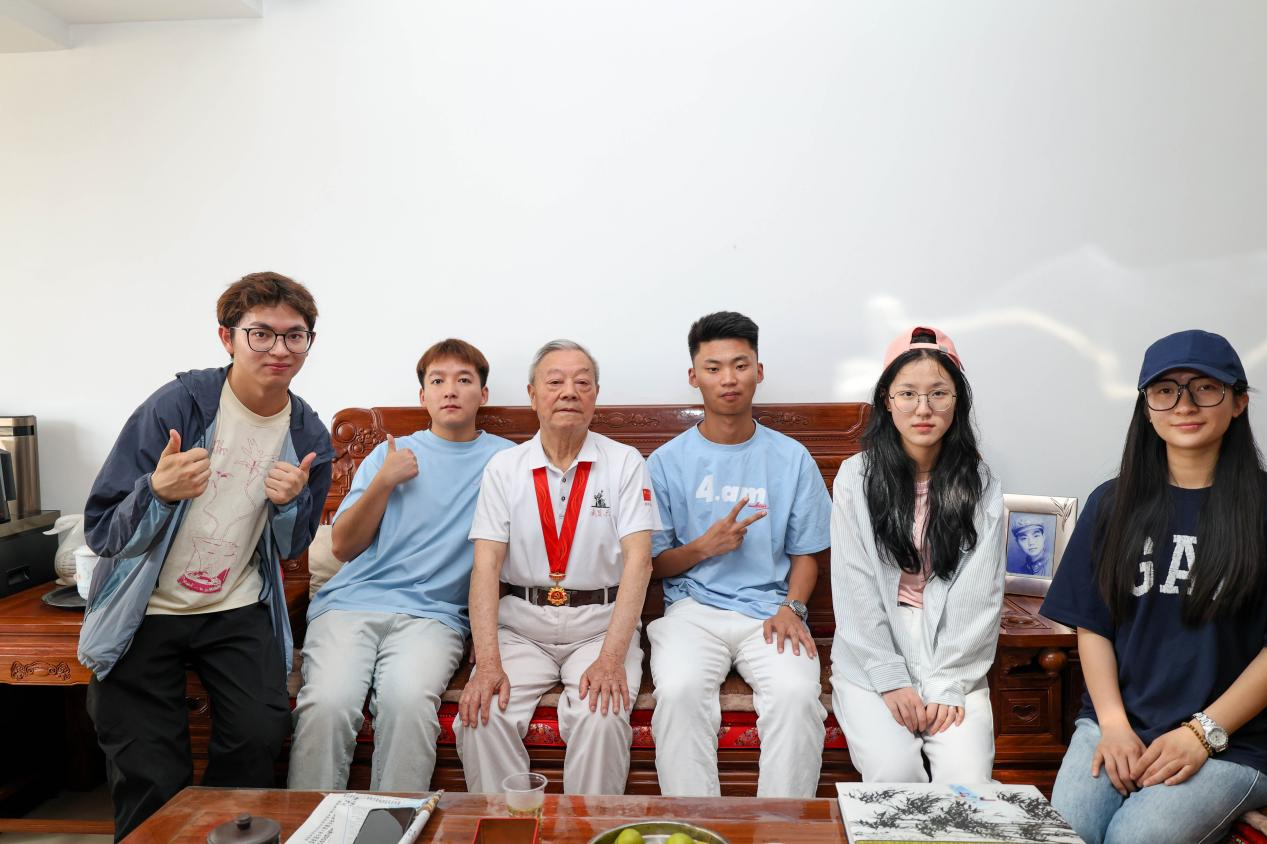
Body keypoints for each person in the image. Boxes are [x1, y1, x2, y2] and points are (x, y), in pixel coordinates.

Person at [79, 272, 332, 840]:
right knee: (150, 774)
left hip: (234, 607)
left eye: (295, 336)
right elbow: (103, 530)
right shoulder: (178, 405)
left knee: (259, 735)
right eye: (261, 333)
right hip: (143, 611)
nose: (279, 349)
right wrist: (157, 490)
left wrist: (289, 505)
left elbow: (292, 545)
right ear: (227, 338)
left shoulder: (308, 431)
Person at [1041, 330, 1267, 844]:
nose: (1184, 404)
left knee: (1133, 838)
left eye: (1205, 387)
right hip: (1117, 722)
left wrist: (1202, 734)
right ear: (1146, 408)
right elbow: (1093, 626)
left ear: (1238, 402)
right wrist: (1113, 724)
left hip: (1233, 740)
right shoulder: (1111, 504)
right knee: (1067, 835)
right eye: (1166, 390)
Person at [287, 339, 514, 792]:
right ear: (423, 395)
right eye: (438, 380)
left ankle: (392, 823)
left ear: (483, 394)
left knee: (408, 703)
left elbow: (521, 553)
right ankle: (309, 824)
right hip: (350, 606)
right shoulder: (389, 454)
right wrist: (384, 483)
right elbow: (343, 548)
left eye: (464, 380)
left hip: (435, 616)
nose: (451, 390)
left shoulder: (507, 461)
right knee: (328, 703)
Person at [455, 339, 660, 794]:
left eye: (582, 382)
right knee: (482, 716)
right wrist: (487, 662)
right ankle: (511, 824)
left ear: (595, 395)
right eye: (555, 382)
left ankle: (586, 828)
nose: (569, 391)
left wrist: (611, 660)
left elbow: (640, 561)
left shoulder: (624, 462)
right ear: (532, 395)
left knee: (602, 714)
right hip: (522, 628)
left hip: (598, 627)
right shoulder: (505, 468)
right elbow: (485, 566)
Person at [645, 311, 831, 797]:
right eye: (713, 367)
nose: (728, 378)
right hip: (692, 611)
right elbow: (653, 565)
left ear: (758, 372)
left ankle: (781, 827)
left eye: (740, 365)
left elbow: (806, 554)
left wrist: (793, 608)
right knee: (679, 692)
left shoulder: (792, 458)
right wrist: (704, 547)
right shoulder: (665, 462)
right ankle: (694, 824)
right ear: (694, 377)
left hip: (770, 610)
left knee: (796, 694)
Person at [829, 326, 1004, 783]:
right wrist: (890, 679)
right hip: (873, 647)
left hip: (953, 647)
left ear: (957, 401)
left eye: (938, 394)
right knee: (895, 772)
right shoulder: (855, 477)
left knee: (967, 779)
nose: (923, 408)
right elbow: (854, 585)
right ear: (887, 400)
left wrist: (949, 681)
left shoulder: (980, 483)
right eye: (908, 393)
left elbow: (980, 592)